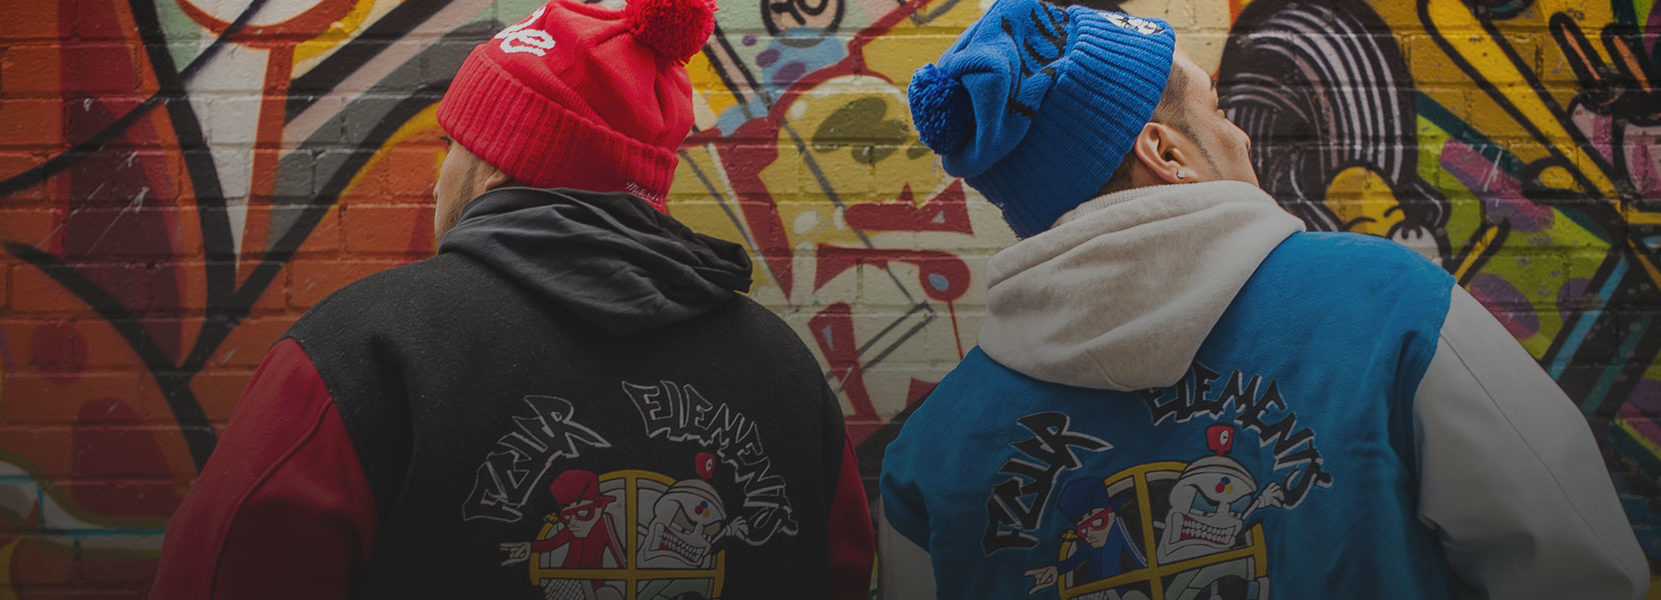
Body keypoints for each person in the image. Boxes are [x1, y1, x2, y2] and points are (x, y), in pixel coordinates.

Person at [877, 1, 1649, 598]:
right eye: (1214, 109)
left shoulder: (931, 453)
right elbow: (1584, 569)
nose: (1241, 136)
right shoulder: (1388, 308)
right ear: (1166, 152)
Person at [151, 0, 874, 597]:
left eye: (452, 146)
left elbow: (218, 573)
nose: (437, 179)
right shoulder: (786, 374)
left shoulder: (360, 354)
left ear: (497, 166)